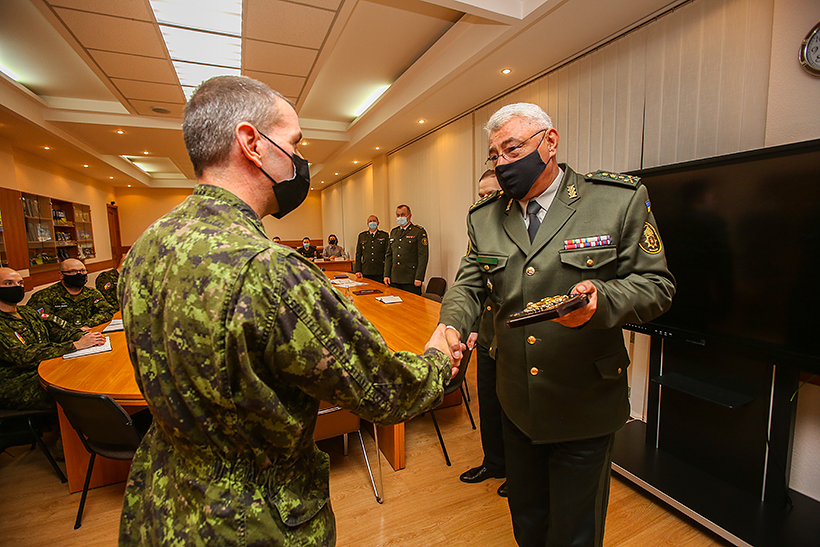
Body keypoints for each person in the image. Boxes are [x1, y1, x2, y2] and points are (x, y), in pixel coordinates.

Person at [117, 75, 460, 547]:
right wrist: (438, 357)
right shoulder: (269, 270)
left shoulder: (148, 245)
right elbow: (382, 392)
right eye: (295, 143)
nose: (300, 159)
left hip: (161, 504)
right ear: (252, 143)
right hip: (250, 521)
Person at [439, 102, 675, 547]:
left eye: (512, 150)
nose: (502, 163)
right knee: (528, 521)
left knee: (574, 532)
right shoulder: (485, 216)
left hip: (584, 402)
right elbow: (468, 286)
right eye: (494, 155)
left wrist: (601, 300)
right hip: (516, 402)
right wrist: (448, 326)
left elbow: (657, 287)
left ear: (550, 142)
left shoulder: (615, 200)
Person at [459, 170, 507, 497]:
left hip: (513, 335)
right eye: (481, 195)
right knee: (488, 405)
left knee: (512, 411)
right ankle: (494, 462)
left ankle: (519, 473)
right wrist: (474, 327)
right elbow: (476, 286)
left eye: (491, 193)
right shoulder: (480, 227)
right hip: (488, 333)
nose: (485, 200)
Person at [0, 267, 105, 410]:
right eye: (8, 283)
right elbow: (22, 355)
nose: (17, 287)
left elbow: (57, 332)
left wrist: (84, 336)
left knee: (92, 371)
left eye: (20, 283)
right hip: (16, 382)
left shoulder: (27, 312)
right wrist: (75, 345)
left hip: (46, 367)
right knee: (80, 389)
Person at [27, 258, 115, 329]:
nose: (79, 274)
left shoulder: (92, 293)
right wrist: (75, 332)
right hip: (62, 343)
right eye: (72, 271)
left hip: (88, 335)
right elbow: (42, 325)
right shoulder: (44, 297)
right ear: (61, 275)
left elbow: (107, 311)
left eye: (82, 271)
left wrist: (87, 325)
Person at [383, 205, 429, 295]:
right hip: (395, 277)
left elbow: (423, 256)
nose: (400, 217)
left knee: (412, 303)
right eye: (398, 215)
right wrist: (386, 274)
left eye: (403, 214)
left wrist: (419, 277)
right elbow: (389, 255)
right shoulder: (394, 232)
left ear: (409, 215)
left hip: (410, 278)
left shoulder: (418, 232)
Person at [354, 215, 388, 283]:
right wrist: (358, 270)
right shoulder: (362, 236)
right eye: (370, 221)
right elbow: (358, 254)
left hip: (380, 270)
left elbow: (387, 254)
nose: (372, 222)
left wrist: (387, 272)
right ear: (367, 224)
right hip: (366, 270)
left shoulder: (384, 235)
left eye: (374, 221)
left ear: (378, 223)